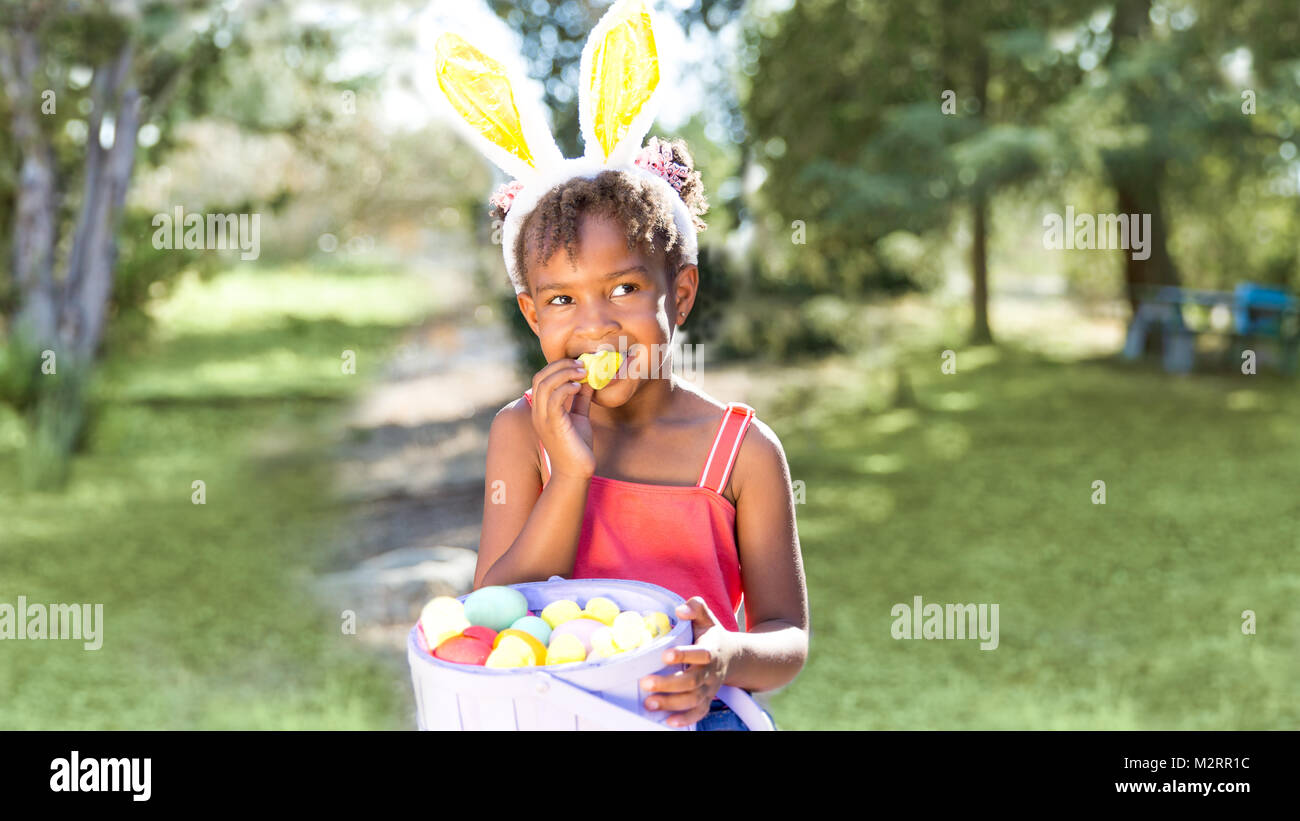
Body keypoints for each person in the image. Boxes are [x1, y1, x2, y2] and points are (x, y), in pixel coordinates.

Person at [436, 0, 808, 731]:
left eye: (625, 289)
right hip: (551, 711)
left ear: (683, 292)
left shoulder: (744, 453)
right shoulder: (524, 433)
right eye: (563, 299)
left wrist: (726, 657)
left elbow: (787, 636)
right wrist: (568, 473)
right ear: (531, 314)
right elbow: (494, 605)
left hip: (693, 715)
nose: (596, 322)